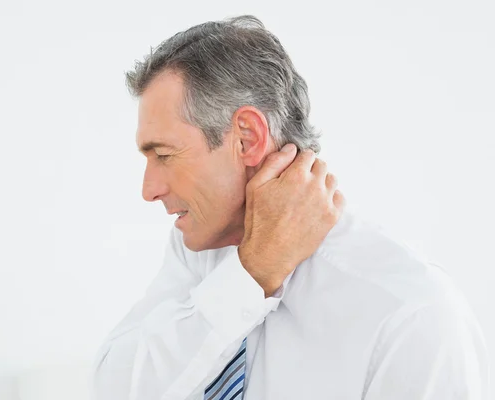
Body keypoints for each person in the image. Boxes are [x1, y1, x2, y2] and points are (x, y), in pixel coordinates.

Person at [93, 15, 489, 400]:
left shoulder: (411, 315)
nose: (149, 190)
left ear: (247, 138)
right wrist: (250, 275)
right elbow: (113, 388)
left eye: (164, 155)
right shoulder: (198, 248)